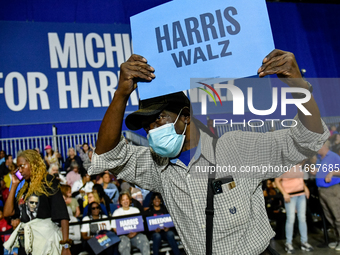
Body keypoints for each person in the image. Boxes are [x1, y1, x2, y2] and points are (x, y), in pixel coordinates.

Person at [89, 50, 329, 255]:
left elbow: (306, 139)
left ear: (185, 116)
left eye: (159, 119)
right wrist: (121, 93)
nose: (151, 130)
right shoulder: (157, 166)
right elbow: (107, 155)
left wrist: (297, 84)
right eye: (147, 125)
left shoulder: (236, 148)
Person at [3, 150, 71, 255]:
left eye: (22, 166)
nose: (20, 171)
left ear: (33, 164)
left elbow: (63, 214)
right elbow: (8, 213)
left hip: (46, 241)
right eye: (18, 168)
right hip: (27, 243)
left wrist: (65, 245)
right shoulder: (24, 188)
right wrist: (14, 185)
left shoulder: (48, 181)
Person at [309, 141, 340, 251]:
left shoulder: (333, 156)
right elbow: (323, 170)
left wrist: (332, 173)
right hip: (322, 191)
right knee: (330, 217)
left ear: (323, 146)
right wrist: (316, 171)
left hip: (332, 190)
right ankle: (338, 239)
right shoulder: (319, 158)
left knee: (337, 217)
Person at [275, 164, 313, 253]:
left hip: (301, 194)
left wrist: (305, 187)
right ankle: (288, 243)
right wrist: (284, 193)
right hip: (290, 196)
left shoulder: (298, 164)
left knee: (302, 218)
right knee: (291, 219)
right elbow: (277, 181)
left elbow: (300, 179)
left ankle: (304, 242)